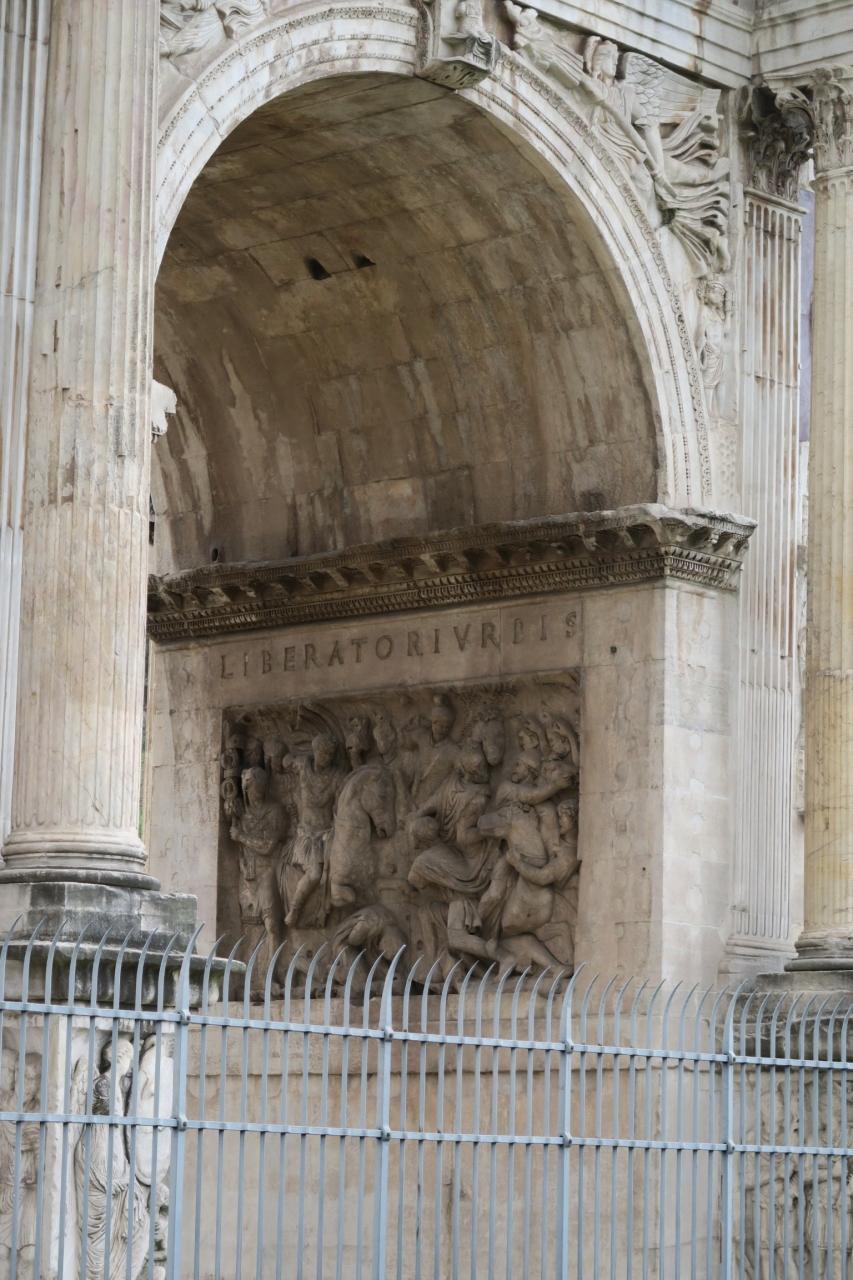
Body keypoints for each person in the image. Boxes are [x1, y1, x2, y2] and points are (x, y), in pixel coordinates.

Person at [281, 733, 346, 927]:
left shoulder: (337, 777)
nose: (326, 758)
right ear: (315, 751)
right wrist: (295, 757)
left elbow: (342, 804)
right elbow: (284, 761)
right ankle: (295, 910)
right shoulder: (303, 766)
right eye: (323, 753)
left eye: (330, 754)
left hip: (327, 835)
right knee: (315, 874)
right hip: (307, 836)